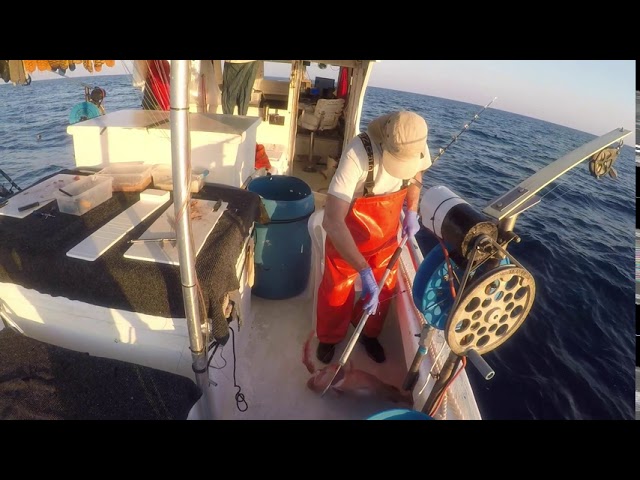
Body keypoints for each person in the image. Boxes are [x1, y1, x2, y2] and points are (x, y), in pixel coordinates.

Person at [316, 110, 431, 364]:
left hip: (386, 235)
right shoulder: (357, 154)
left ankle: (367, 330)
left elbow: (416, 177)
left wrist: (411, 211)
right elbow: (332, 221)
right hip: (348, 233)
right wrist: (363, 271)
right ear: (384, 142)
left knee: (385, 286)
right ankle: (329, 337)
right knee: (336, 288)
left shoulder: (415, 142)